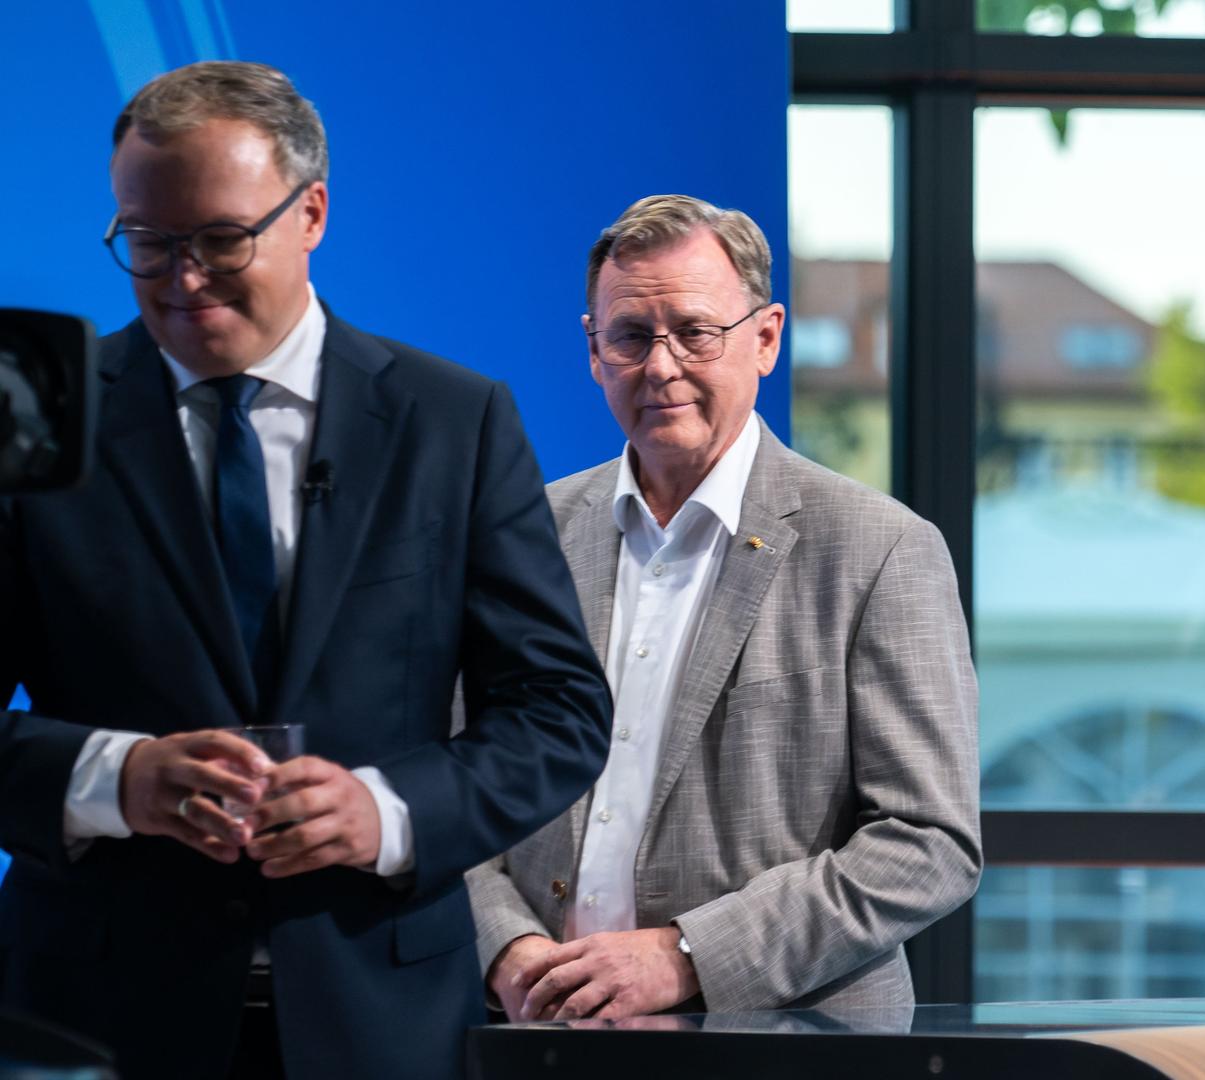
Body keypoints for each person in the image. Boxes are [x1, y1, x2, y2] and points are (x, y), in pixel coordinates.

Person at [0, 61, 611, 1079]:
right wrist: (113, 780)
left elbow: (558, 713)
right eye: (147, 243)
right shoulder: (40, 419)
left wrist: (386, 812)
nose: (183, 278)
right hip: (99, 1021)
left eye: (220, 240)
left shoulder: (453, 422)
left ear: (312, 213)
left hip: (382, 1026)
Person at [466, 194, 981, 1020]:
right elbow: (452, 783)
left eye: (695, 332)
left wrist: (687, 957)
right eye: (631, 336)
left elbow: (929, 844)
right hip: (534, 1033)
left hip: (782, 1043)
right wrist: (506, 946)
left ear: (766, 338)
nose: (661, 366)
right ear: (594, 351)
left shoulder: (879, 549)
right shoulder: (524, 534)